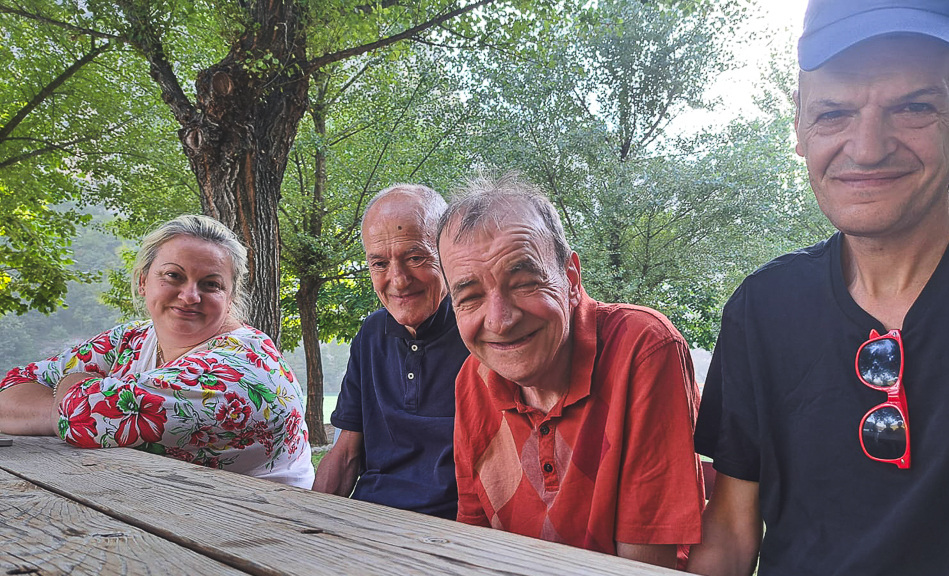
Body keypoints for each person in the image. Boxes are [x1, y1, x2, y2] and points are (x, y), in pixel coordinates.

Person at [688, 1, 949, 575]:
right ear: (798, 123)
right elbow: (730, 534)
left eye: (915, 106)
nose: (867, 148)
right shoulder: (762, 309)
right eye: (834, 112)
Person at [436, 173, 704, 569]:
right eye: (470, 297)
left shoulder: (644, 348)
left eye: (524, 282)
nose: (500, 319)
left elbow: (644, 566)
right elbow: (475, 542)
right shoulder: (471, 380)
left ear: (572, 280)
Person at [0, 215, 314, 488]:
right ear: (143, 281)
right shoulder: (130, 338)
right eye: (173, 276)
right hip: (165, 514)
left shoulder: (244, 368)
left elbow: (82, 417)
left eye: (211, 284)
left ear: (230, 296)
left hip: (262, 533)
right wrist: (71, 398)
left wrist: (70, 389)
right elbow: (10, 389)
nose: (190, 296)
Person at [312, 184, 468, 519]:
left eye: (415, 257)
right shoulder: (371, 335)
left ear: (447, 254)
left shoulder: (479, 332)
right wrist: (306, 521)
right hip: (370, 518)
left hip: (456, 528)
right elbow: (346, 454)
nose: (397, 280)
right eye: (379, 263)